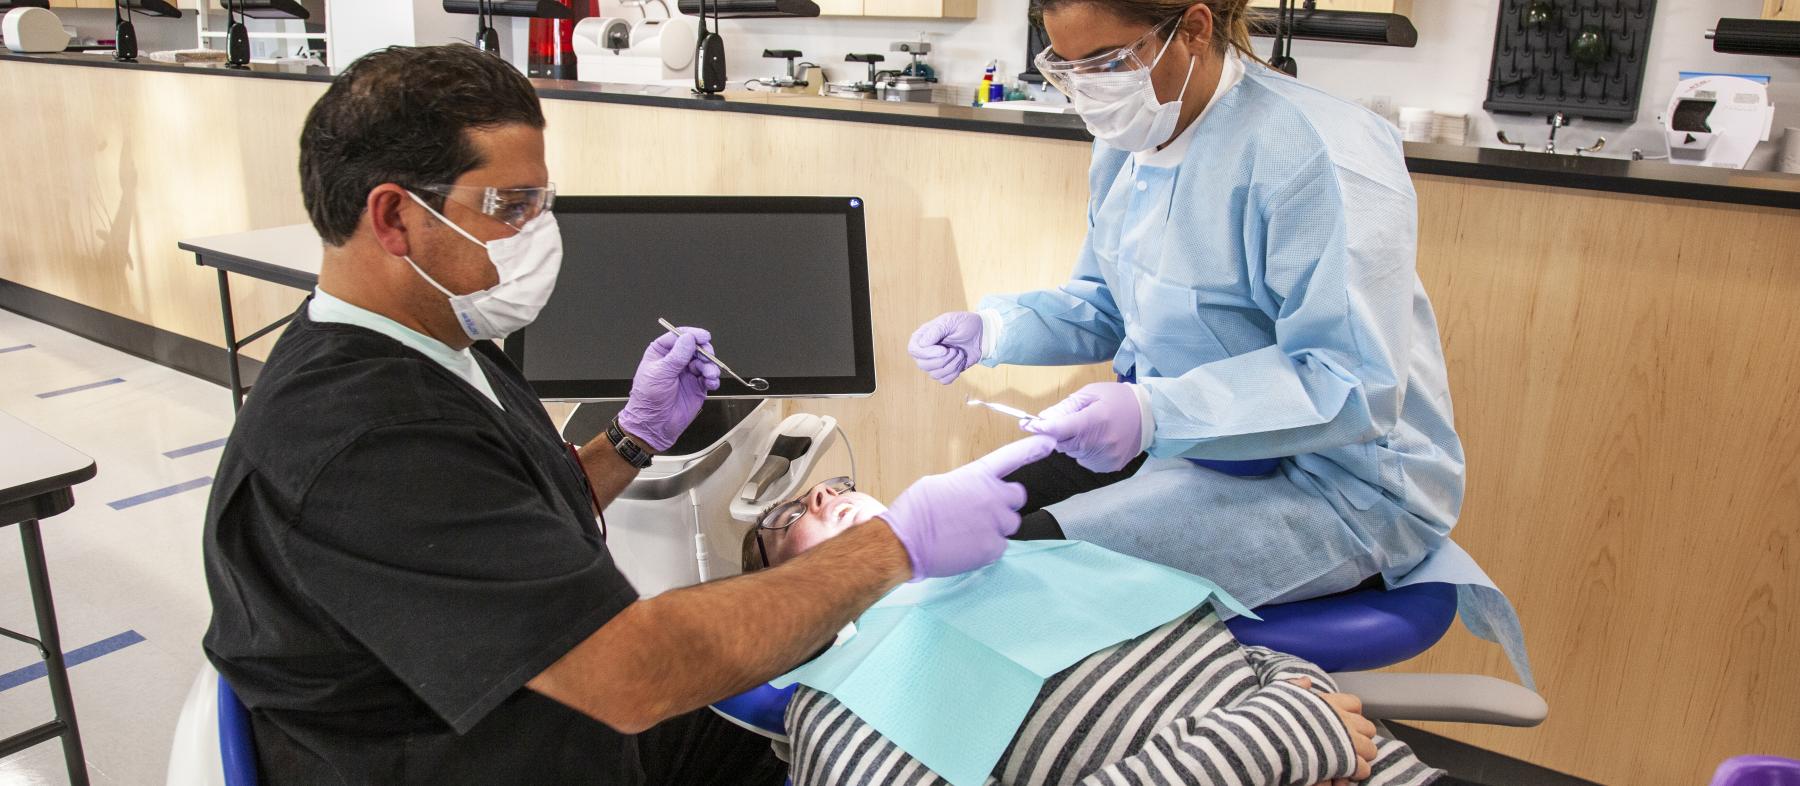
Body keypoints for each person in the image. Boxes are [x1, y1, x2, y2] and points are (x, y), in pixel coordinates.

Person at [201, 44, 1055, 784]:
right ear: (393, 216)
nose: (542, 229)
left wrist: (632, 441)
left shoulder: (434, 339)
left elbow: (506, 516)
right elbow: (634, 674)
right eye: (512, 206)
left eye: (543, 198)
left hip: (542, 718)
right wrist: (890, 546)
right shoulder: (366, 442)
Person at [906, 0, 1527, 678]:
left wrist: (1154, 413)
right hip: (1191, 445)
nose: (1091, 91)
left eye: (1109, 62)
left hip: (1337, 485)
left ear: (1194, 29)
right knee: (961, 539)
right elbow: (1113, 305)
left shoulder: (1317, 154)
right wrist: (994, 329)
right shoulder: (1132, 138)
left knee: (1015, 577)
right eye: (1069, 68)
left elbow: (1352, 382)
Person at [748, 479, 1444, 786]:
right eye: (786, 518)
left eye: (837, 485)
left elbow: (1235, 656)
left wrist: (1306, 706)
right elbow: (1264, 731)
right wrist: (1265, 744)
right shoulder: (844, 704)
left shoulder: (1037, 559)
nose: (823, 495)